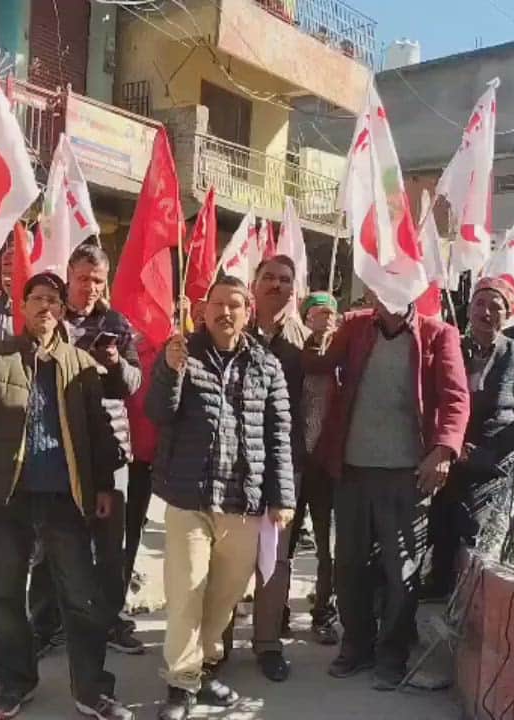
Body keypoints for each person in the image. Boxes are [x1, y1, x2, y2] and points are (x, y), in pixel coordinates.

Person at [0, 272, 131, 720]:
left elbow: (99, 432)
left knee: (81, 598)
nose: (46, 307)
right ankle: (15, 683)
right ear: (24, 305)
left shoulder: (80, 363)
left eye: (54, 300)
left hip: (64, 499)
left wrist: (106, 485)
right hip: (9, 497)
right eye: (37, 299)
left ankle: (91, 690)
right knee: (6, 596)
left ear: (62, 309)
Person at [150, 276, 296, 720]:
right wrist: (168, 371)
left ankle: (203, 666)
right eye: (218, 303)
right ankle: (181, 684)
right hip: (190, 496)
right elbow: (158, 412)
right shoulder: (181, 353)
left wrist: (281, 496)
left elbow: (278, 435)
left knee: (225, 595)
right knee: (187, 590)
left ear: (248, 311)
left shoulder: (266, 365)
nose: (225, 312)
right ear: (203, 308)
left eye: (235, 304)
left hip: (243, 501)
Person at [307, 288, 468, 690]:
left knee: (402, 572)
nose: (386, 295)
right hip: (353, 471)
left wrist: (444, 450)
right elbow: (322, 363)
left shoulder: (438, 333)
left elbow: (455, 398)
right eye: (379, 286)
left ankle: (391, 653)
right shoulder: (356, 326)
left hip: (407, 476)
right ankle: (356, 646)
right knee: (349, 566)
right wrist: (318, 333)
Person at [30, 242, 144, 656]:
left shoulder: (117, 322)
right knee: (50, 540)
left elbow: (134, 384)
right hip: (59, 447)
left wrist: (114, 363)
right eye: (83, 278)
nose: (90, 287)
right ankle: (43, 623)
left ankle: (111, 619)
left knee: (110, 543)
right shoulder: (49, 318)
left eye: (98, 280)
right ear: (69, 276)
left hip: (110, 448)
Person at [424, 277, 514, 599]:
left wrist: (484, 455)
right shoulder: (450, 347)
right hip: (446, 455)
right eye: (480, 304)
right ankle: (437, 585)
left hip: (490, 466)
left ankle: (468, 599)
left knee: (473, 529)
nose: (486, 312)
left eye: (495, 306)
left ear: (506, 315)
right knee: (434, 525)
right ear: (469, 309)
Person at [239, 256, 310, 682]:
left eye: (286, 280)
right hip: (233, 462)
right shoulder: (232, 331)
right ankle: (216, 643)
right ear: (254, 284)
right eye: (269, 278)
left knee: (275, 559)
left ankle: (267, 644)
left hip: (285, 465)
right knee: (228, 556)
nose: (277, 286)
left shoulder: (309, 342)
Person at [295, 291, 341, 645]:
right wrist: (315, 341)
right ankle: (275, 612)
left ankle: (324, 610)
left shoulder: (344, 358)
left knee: (328, 547)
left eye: (330, 315)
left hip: (328, 468)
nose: (323, 320)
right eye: (316, 314)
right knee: (284, 546)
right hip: (295, 465)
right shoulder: (297, 354)